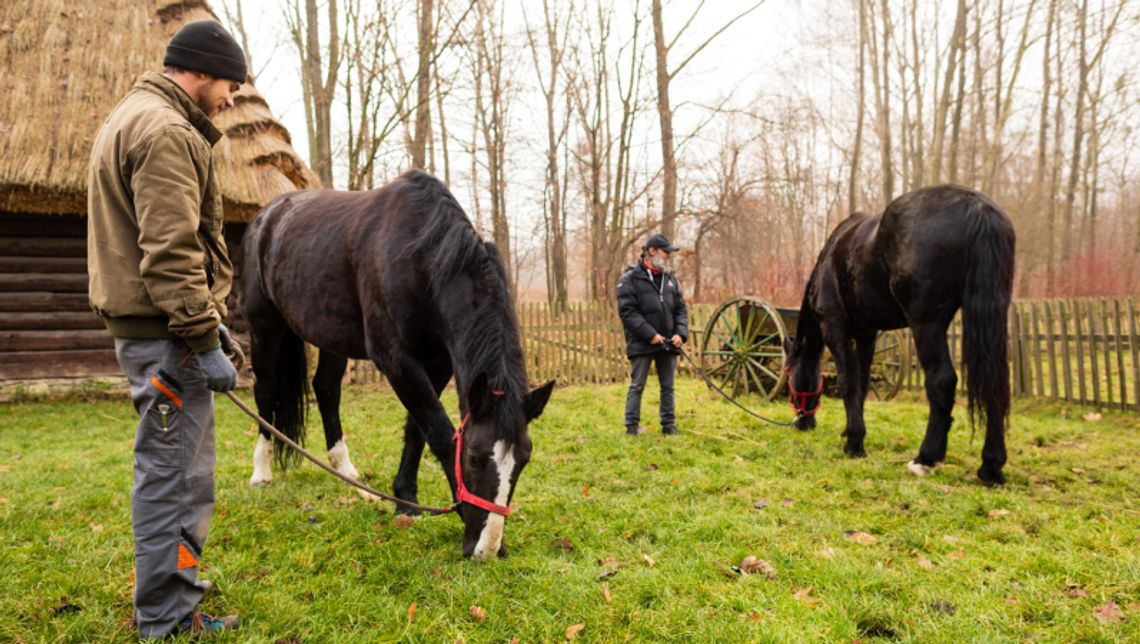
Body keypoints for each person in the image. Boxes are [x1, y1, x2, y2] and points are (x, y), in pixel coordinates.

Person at [87, 20, 246, 638]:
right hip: (168, 338)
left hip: (159, 328)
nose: (232, 99)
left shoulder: (133, 114)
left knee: (168, 469)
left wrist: (209, 323)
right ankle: (169, 617)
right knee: (177, 476)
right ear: (201, 71)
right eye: (230, 84)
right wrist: (203, 339)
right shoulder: (167, 131)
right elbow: (172, 252)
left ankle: (167, 605)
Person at [617, 234, 689, 436]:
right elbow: (628, 312)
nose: (668, 256)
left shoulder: (671, 279)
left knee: (668, 387)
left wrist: (680, 334)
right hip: (642, 343)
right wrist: (650, 335)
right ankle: (631, 428)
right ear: (652, 251)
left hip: (668, 343)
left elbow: (681, 310)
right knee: (637, 385)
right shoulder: (630, 279)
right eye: (666, 252)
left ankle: (669, 426)